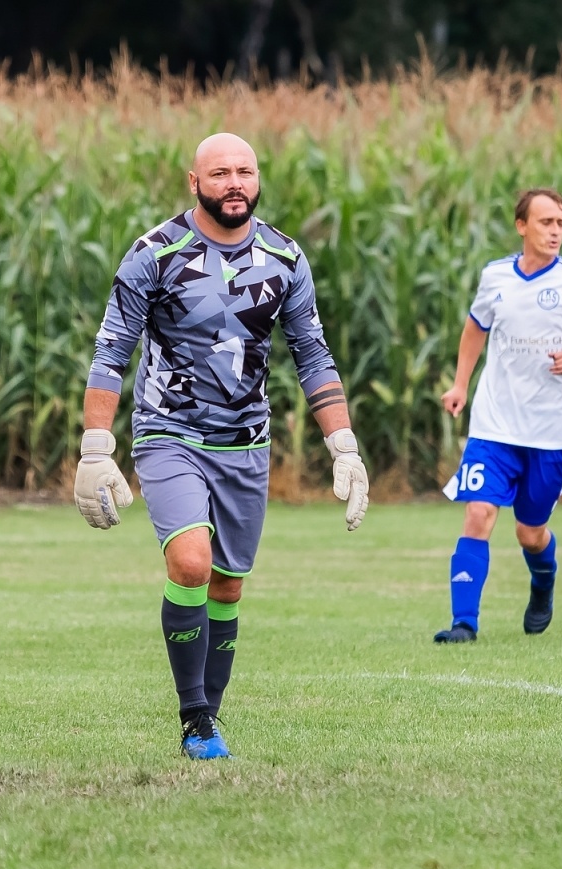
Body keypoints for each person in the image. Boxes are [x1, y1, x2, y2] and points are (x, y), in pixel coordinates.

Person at [76, 132, 370, 757]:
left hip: (246, 444)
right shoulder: (155, 253)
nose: (234, 183)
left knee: (228, 586)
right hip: (168, 432)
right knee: (190, 564)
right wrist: (95, 449)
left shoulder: (284, 259)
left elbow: (312, 354)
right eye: (219, 173)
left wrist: (343, 445)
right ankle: (195, 720)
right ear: (194, 182)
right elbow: (112, 349)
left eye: (244, 171)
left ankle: (208, 713)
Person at [434, 188, 562, 643]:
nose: (555, 230)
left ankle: (543, 583)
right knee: (478, 512)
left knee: (529, 532)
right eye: (545, 222)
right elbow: (476, 328)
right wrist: (460, 384)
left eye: (560, 222)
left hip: (551, 431)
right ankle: (464, 624)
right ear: (522, 226)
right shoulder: (496, 276)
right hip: (494, 425)